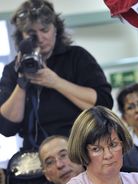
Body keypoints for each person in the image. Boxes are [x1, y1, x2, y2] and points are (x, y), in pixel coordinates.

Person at [0, 0, 113, 150]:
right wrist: (21, 84)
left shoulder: (76, 56)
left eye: (44, 30)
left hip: (80, 146)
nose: (40, 38)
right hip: (37, 153)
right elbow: (7, 128)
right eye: (32, 34)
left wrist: (56, 82)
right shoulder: (12, 70)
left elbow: (103, 105)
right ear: (22, 36)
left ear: (55, 29)